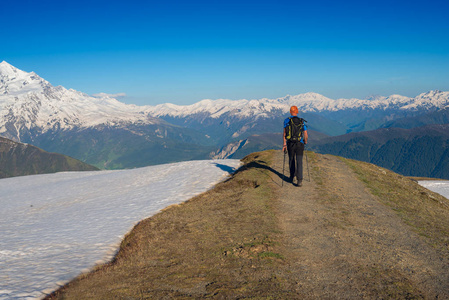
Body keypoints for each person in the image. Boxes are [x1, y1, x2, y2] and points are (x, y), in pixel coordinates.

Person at [283, 106, 308, 186]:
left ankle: (291, 177)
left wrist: (284, 144)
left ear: (290, 112)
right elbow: (305, 134)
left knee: (291, 159)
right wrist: (305, 141)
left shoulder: (287, 120)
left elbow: (284, 133)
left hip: (290, 143)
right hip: (299, 144)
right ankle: (299, 180)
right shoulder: (301, 121)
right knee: (299, 161)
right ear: (297, 112)